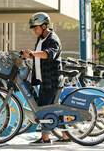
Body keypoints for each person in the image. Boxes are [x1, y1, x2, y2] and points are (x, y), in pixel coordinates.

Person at [22, 12, 71, 145]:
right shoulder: (41, 39)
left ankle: (45, 138)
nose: (34, 31)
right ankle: (66, 136)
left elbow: (48, 54)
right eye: (33, 29)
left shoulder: (52, 39)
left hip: (51, 80)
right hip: (45, 79)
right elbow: (40, 57)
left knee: (43, 108)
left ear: (44, 26)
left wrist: (33, 53)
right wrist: (29, 56)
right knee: (56, 109)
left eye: (36, 28)